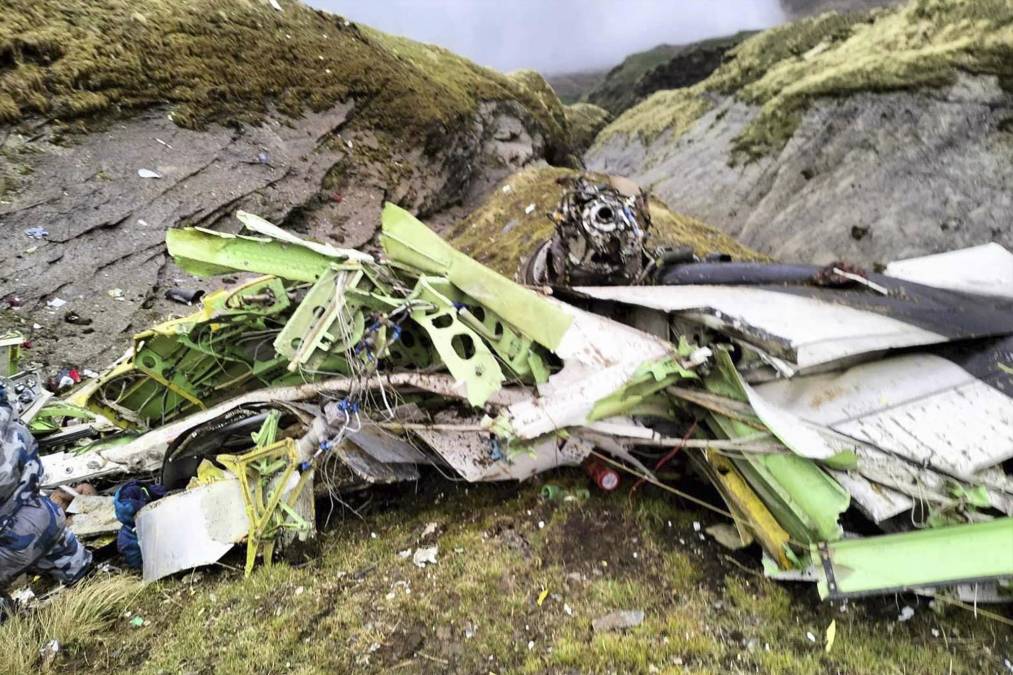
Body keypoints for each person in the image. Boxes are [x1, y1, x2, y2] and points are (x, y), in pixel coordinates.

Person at [0, 386, 91, 591]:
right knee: (83, 575)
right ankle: (89, 580)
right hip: (44, 516)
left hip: (12, 541)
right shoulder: (9, 418)